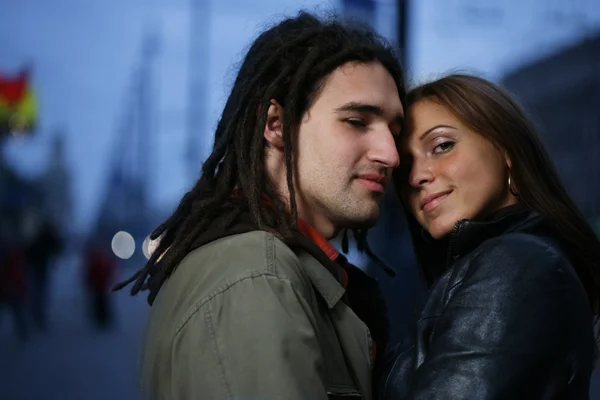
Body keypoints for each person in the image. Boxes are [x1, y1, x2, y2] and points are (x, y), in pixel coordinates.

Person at [115, 12, 406, 400]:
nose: (391, 154)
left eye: (395, 131)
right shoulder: (253, 279)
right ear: (275, 125)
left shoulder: (268, 266)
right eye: (356, 121)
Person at [380, 74, 600, 399]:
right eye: (405, 166)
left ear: (506, 149)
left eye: (442, 146)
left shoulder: (515, 265)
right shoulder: (522, 261)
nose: (416, 176)